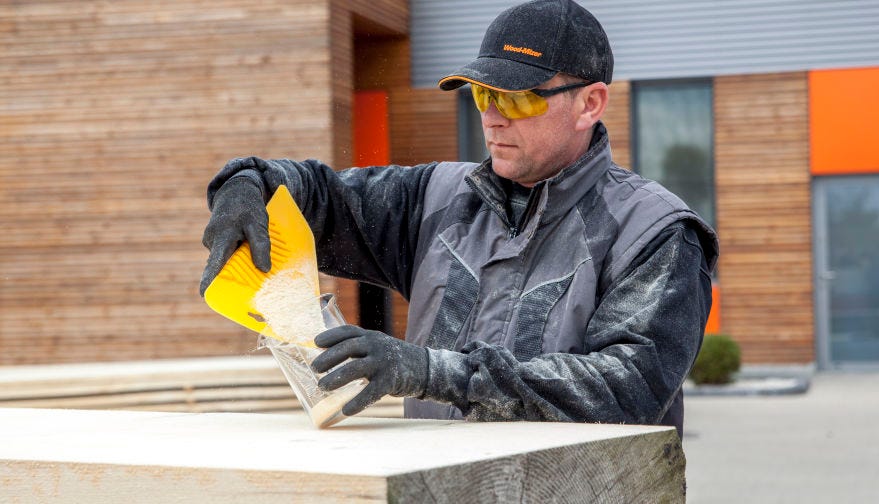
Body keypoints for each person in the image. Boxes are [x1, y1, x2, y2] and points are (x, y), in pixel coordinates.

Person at [200, 0, 718, 437]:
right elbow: (319, 196)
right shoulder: (438, 199)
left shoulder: (655, 233)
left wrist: (434, 372)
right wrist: (248, 183)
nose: (492, 116)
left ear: (590, 104)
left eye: (516, 99)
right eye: (483, 94)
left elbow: (624, 390)